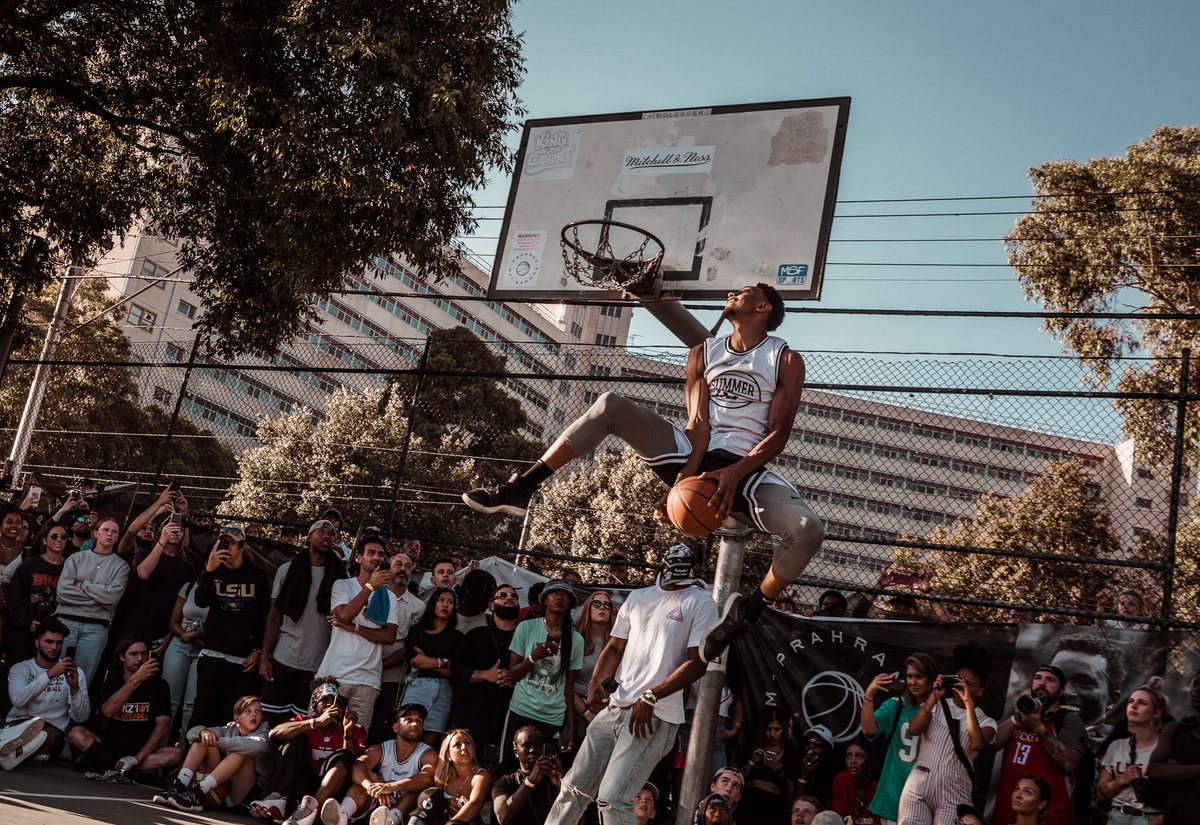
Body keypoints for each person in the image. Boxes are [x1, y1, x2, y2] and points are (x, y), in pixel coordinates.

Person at [463, 283, 824, 663]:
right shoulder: (704, 353)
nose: (734, 292)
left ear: (764, 306)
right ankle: (521, 488)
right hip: (694, 455)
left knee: (807, 531)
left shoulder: (783, 359)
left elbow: (778, 434)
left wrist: (732, 474)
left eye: (745, 291)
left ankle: (746, 614)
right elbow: (698, 426)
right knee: (610, 405)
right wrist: (682, 482)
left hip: (745, 466)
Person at [542, 543, 718, 825]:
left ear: (698, 567)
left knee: (614, 799)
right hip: (616, 707)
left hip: (655, 716)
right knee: (573, 788)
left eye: (687, 558)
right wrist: (596, 682)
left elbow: (697, 663)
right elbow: (614, 647)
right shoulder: (639, 597)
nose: (677, 560)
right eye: (672, 555)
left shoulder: (701, 602)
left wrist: (651, 696)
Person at [896, 644, 997, 825]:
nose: (962, 686)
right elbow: (914, 729)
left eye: (970, 684)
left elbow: (977, 743)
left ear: (980, 691)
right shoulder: (937, 705)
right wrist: (934, 696)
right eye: (959, 680)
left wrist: (968, 703)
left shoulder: (985, 721)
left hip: (954, 793)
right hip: (918, 786)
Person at [261, 519, 347, 723]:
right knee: (270, 721)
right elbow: (274, 616)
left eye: (331, 533)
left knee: (300, 724)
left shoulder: (341, 577)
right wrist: (264, 657)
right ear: (308, 537)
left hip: (317, 666)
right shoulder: (287, 570)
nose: (326, 535)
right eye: (321, 531)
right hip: (283, 659)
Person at [252, 677, 367, 825]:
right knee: (294, 737)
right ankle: (277, 800)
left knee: (344, 755)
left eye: (334, 700)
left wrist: (348, 732)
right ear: (314, 706)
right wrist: (316, 723)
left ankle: (309, 810)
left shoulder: (355, 728)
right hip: (302, 786)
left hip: (332, 794)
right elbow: (274, 733)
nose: (330, 704)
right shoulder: (305, 721)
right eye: (324, 700)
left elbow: (354, 765)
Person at [70, 635, 182, 781]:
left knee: (176, 754)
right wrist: (135, 680)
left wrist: (136, 758)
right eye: (133, 654)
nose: (140, 659)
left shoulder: (160, 685)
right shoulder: (113, 681)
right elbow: (108, 711)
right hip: (108, 747)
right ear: (122, 657)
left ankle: (108, 766)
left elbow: (163, 725)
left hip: (140, 752)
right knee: (75, 733)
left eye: (144, 654)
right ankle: (122, 769)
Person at [191, 524, 271, 728]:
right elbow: (200, 601)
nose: (226, 547)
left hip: (243, 661)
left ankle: (225, 759)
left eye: (231, 543)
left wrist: (258, 650)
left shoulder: (258, 576)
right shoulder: (211, 569)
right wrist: (208, 570)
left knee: (232, 719)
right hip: (212, 654)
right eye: (222, 542)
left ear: (242, 546)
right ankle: (193, 757)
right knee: (203, 713)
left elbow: (265, 617)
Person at [316, 535, 398, 733]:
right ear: (359, 558)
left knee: (355, 740)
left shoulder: (390, 597)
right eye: (371, 553)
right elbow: (344, 616)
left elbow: (389, 637)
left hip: (367, 681)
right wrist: (370, 587)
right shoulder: (342, 586)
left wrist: (355, 628)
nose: (376, 557)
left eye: (380, 554)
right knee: (323, 734)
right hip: (335, 676)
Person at [501, 580, 584, 772]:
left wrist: (570, 729)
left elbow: (569, 686)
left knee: (543, 772)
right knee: (508, 768)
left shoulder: (576, 639)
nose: (560, 597)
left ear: (570, 604)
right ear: (545, 600)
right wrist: (533, 657)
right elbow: (511, 674)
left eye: (565, 595)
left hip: (552, 717)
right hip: (521, 709)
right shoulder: (526, 628)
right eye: (554, 592)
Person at [990, 665, 1087, 825]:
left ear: (1062, 691)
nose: (1042, 683)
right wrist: (1015, 719)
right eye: (1038, 678)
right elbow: (991, 743)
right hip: (1009, 809)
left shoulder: (1068, 719)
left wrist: (1039, 729)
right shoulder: (1019, 711)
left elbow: (1070, 762)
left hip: (1048, 815)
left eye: (1050, 680)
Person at [318, 702, 438, 825]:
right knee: (365, 779)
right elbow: (358, 766)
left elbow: (427, 778)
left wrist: (390, 787)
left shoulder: (428, 753)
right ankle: (341, 817)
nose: (415, 724)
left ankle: (388, 822)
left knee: (414, 793)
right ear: (395, 727)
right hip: (377, 805)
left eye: (419, 721)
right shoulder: (380, 749)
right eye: (408, 719)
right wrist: (370, 786)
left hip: (401, 810)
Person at [153, 694, 269, 811]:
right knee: (202, 739)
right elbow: (191, 734)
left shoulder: (264, 731)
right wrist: (203, 732)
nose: (254, 714)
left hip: (240, 795)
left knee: (241, 751)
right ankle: (179, 785)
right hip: (220, 784)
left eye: (258, 711)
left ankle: (197, 793)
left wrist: (217, 741)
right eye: (248, 711)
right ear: (237, 718)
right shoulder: (229, 728)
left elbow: (259, 746)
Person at [861, 652, 938, 825]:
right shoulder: (896, 705)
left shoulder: (942, 710)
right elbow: (868, 729)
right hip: (893, 797)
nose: (912, 682)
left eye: (919, 677)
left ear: (932, 679)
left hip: (926, 799)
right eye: (909, 676)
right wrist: (869, 695)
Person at [55, 514, 130, 686]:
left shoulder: (121, 566)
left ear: (118, 537)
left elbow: (112, 599)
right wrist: (98, 598)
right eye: (105, 530)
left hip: (96, 628)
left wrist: (84, 585)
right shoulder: (75, 559)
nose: (110, 534)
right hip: (66, 623)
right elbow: (62, 593)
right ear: (95, 533)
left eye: (114, 532)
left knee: (82, 680)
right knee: (55, 676)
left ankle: (74, 713)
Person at [453, 582, 521, 770]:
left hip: (511, 718)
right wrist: (486, 675)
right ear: (491, 605)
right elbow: (456, 671)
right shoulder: (476, 635)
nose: (509, 598)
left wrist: (515, 679)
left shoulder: (526, 637)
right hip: (473, 716)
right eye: (503, 595)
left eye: (513, 596)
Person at [3, 617, 90, 765]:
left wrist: (75, 689)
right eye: (49, 642)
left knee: (44, 735)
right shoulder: (20, 669)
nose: (54, 647)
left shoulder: (75, 672)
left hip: (51, 730)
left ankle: (11, 755)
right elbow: (18, 700)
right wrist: (49, 675)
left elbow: (81, 717)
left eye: (59, 643)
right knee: (19, 732)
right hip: (17, 725)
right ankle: (20, 755)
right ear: (37, 643)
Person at [371, 550, 425, 744]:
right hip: (361, 666)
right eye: (398, 564)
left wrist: (378, 666)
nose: (403, 569)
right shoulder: (372, 594)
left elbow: (409, 647)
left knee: (381, 723)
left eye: (408, 566)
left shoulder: (418, 606)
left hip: (392, 675)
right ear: (389, 568)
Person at [123, 517, 195, 657]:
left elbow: (184, 607)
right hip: (136, 623)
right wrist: (162, 541)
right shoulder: (145, 552)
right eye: (171, 529)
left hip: (163, 628)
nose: (176, 532)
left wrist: (169, 636)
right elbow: (143, 573)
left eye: (180, 530)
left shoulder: (187, 567)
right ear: (162, 531)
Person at [1097, 684, 1167, 825]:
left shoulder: (1166, 748)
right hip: (1117, 816)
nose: (1134, 706)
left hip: (1149, 818)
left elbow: (1181, 797)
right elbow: (1101, 795)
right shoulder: (1116, 746)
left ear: (1156, 713)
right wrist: (1122, 780)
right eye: (1131, 701)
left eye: (1142, 703)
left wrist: (1159, 821)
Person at [400, 587, 462, 744]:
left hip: (444, 689)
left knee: (431, 739)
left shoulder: (458, 637)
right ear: (433, 603)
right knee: (407, 732)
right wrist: (443, 662)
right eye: (441, 600)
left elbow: (456, 670)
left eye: (450, 602)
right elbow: (414, 660)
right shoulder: (417, 630)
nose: (445, 605)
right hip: (417, 684)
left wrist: (427, 661)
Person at [5, 521, 69, 664]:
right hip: (23, 631)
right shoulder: (29, 565)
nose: (59, 539)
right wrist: (28, 622)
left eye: (63, 536)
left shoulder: (70, 567)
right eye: (54, 536)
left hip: (53, 636)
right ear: (45, 540)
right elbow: (14, 598)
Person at [1147, 668, 1200, 825]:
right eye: (1195, 684)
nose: (1197, 689)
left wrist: (1176, 769)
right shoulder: (1174, 729)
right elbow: (1154, 770)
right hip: (1173, 820)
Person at [161, 575, 209, 739]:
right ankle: (158, 750)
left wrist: (197, 635)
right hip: (180, 642)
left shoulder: (224, 590)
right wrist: (188, 635)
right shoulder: (189, 586)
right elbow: (173, 622)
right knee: (169, 702)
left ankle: (183, 753)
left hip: (204, 648)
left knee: (191, 706)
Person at [417, 728, 492, 825]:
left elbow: (475, 805)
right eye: (457, 745)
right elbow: (433, 802)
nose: (464, 747)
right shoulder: (443, 777)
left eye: (468, 743)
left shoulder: (481, 776)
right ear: (448, 755)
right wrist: (447, 802)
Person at [493, 726, 564, 825]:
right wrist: (530, 781)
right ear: (516, 752)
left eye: (538, 745)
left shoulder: (554, 777)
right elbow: (504, 819)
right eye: (526, 745)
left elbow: (580, 820)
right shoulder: (505, 782)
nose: (533, 750)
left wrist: (563, 786)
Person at [572, 591, 614, 737]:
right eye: (597, 604)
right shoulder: (575, 638)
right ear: (588, 608)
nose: (602, 607)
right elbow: (564, 682)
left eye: (607, 605)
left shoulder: (617, 645)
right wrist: (586, 712)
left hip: (606, 714)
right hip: (575, 710)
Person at [739, 708, 792, 823]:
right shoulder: (752, 748)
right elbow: (739, 778)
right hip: (749, 801)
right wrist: (752, 762)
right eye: (768, 729)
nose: (772, 734)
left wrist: (781, 774)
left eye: (777, 729)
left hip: (772, 806)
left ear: (784, 730)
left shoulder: (790, 754)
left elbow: (791, 791)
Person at [830, 736, 880, 825]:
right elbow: (839, 818)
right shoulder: (841, 780)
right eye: (849, 756)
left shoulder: (878, 784)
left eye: (859, 756)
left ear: (868, 760)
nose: (853, 761)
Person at [456, 569, 498, 634]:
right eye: (483, 594)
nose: (489, 599)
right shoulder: (448, 618)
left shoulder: (491, 622)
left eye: (489, 594)